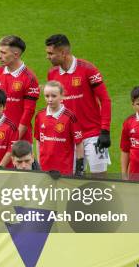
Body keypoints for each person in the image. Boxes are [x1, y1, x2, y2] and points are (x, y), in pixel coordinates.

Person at [45, 34, 112, 176]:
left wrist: (105, 130)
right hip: (68, 137)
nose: (48, 57)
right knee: (72, 179)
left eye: (50, 53)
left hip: (93, 135)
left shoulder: (88, 69)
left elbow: (105, 100)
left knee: (99, 178)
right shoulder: (52, 74)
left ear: (63, 53)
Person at [0, 35, 39, 142]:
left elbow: (28, 112)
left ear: (16, 54)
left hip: (19, 140)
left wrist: (15, 138)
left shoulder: (30, 78)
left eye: (3, 53)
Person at [34, 81, 84, 176]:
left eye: (54, 96)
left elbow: (79, 143)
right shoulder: (40, 115)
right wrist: (39, 163)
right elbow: (38, 141)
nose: (50, 99)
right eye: (47, 96)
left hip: (65, 169)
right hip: (45, 168)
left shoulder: (70, 117)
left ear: (62, 96)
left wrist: (79, 168)